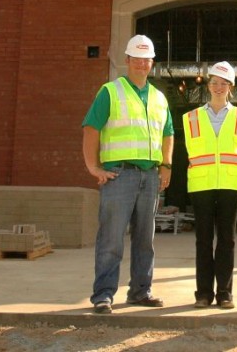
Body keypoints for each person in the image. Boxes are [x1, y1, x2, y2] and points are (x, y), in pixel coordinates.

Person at [82, 34, 174, 314]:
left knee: (145, 239)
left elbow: (168, 133)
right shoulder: (110, 92)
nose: (142, 64)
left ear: (152, 62)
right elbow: (91, 128)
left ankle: (141, 291)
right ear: (127, 60)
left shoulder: (159, 97)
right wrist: (93, 167)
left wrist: (166, 165)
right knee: (111, 238)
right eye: (137, 59)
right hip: (119, 175)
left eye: (146, 60)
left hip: (150, 176)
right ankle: (103, 295)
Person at [182, 61, 237, 310]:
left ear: (231, 87)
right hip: (201, 184)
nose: (218, 87)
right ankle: (203, 294)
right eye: (214, 83)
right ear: (208, 86)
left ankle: (224, 293)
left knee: (226, 240)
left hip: (231, 183)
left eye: (224, 83)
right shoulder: (191, 118)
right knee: (202, 240)